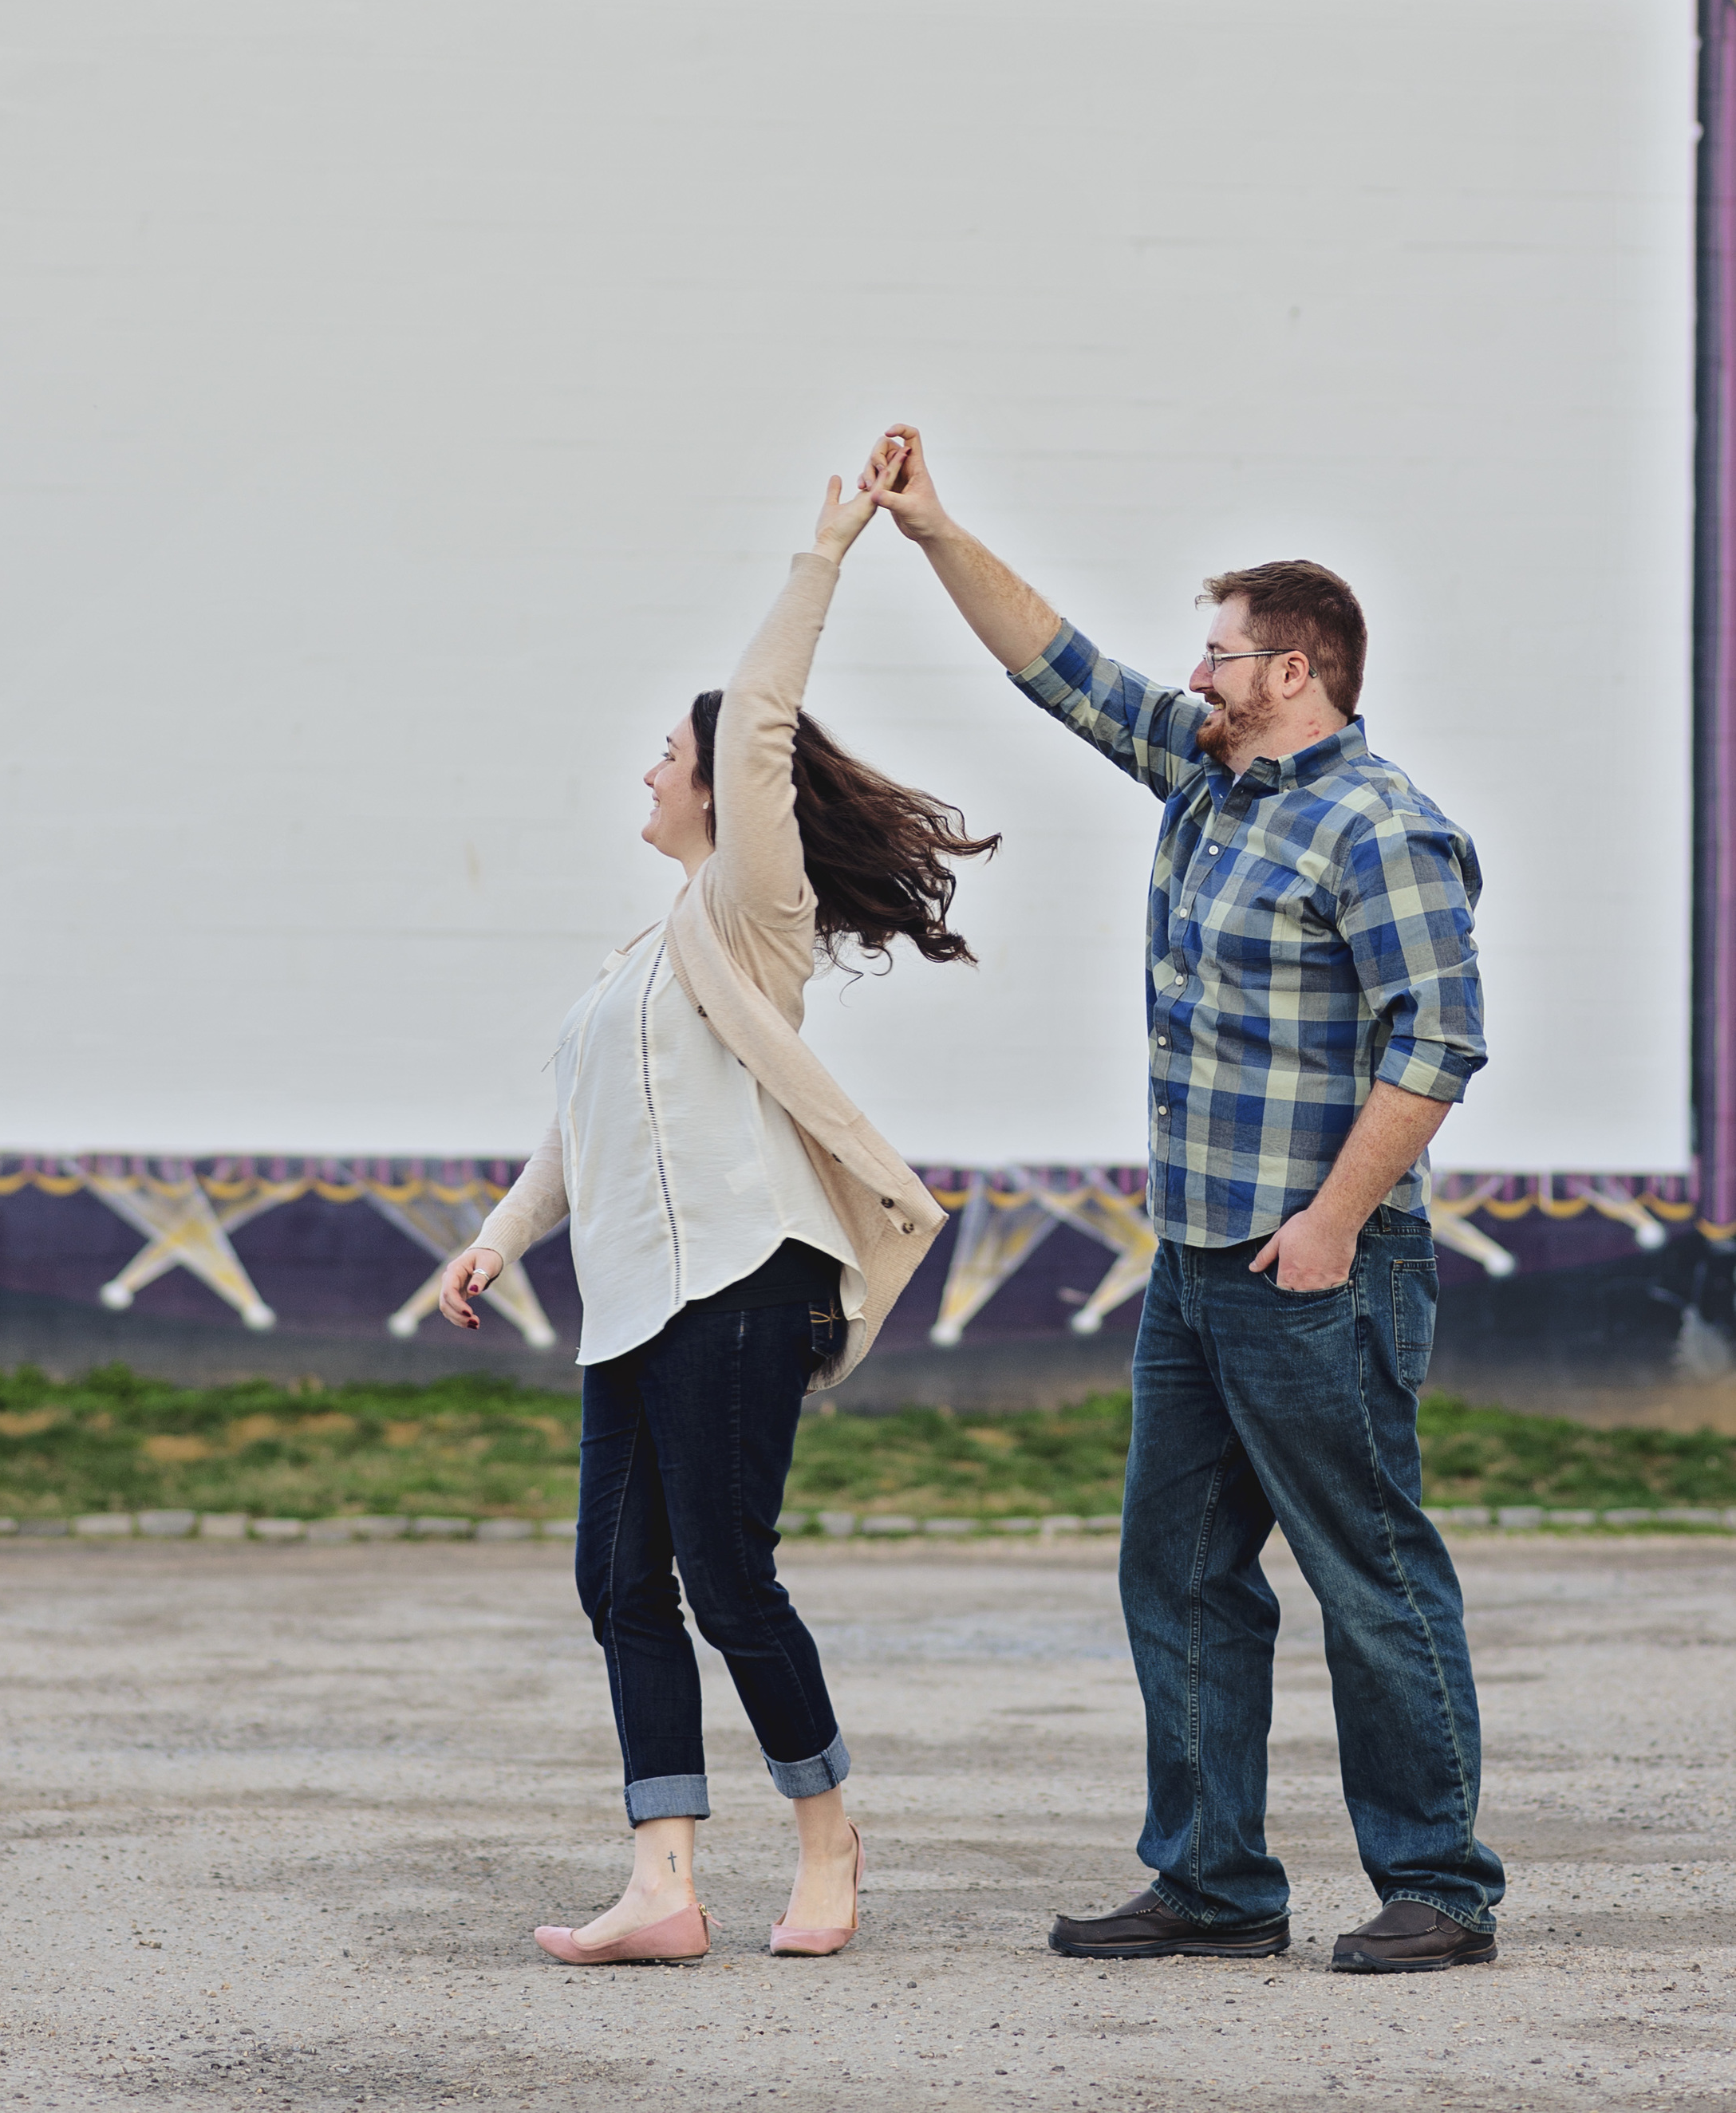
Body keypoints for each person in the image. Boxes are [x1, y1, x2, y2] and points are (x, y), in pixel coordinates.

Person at [866, 424, 1503, 1977]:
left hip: (1318, 1273)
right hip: (1197, 1267)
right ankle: (1212, 1880)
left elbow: (1438, 1039)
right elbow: (1057, 666)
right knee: (1177, 1571)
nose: (1191, 676)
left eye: (1215, 656)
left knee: (1370, 1572)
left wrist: (1337, 1220)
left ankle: (1436, 1886)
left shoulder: (1378, 826)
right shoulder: (1208, 786)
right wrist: (933, 532)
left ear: (1293, 670)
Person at [438, 459, 998, 1967]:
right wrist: (497, 1237)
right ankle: (663, 1881)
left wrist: (824, 550)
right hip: (627, 1302)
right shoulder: (637, 958)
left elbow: (755, 715)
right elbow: (578, 1137)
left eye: (660, 756)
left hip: (745, 1282)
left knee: (730, 1579)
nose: (645, 773)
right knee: (616, 1578)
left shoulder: (752, 920)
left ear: (716, 787)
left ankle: (828, 1839)